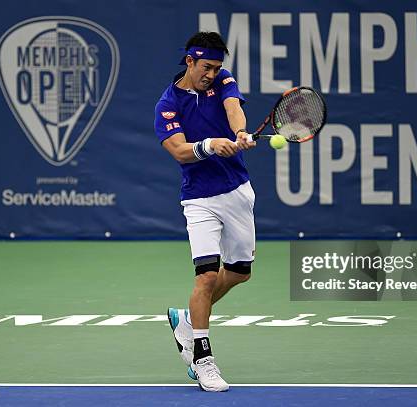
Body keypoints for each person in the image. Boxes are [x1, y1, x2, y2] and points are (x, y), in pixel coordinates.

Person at [154, 31, 256, 392]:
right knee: (207, 277)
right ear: (190, 61)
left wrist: (240, 132)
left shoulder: (224, 81)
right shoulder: (167, 105)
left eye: (217, 68)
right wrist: (211, 144)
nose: (212, 74)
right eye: (206, 67)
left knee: (240, 272)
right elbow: (181, 152)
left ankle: (186, 321)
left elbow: (232, 107)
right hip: (199, 200)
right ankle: (203, 359)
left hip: (239, 193)